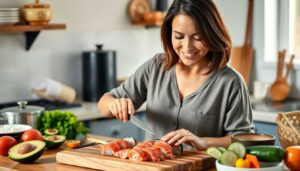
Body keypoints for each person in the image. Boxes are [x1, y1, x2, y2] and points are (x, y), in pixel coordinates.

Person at [98, 0, 254, 150]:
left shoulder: (231, 82)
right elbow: (104, 103)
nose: (187, 47)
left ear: (212, 33)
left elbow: (245, 139)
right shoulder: (156, 67)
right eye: (179, 36)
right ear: (169, 33)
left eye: (198, 37)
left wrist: (203, 142)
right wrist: (114, 104)